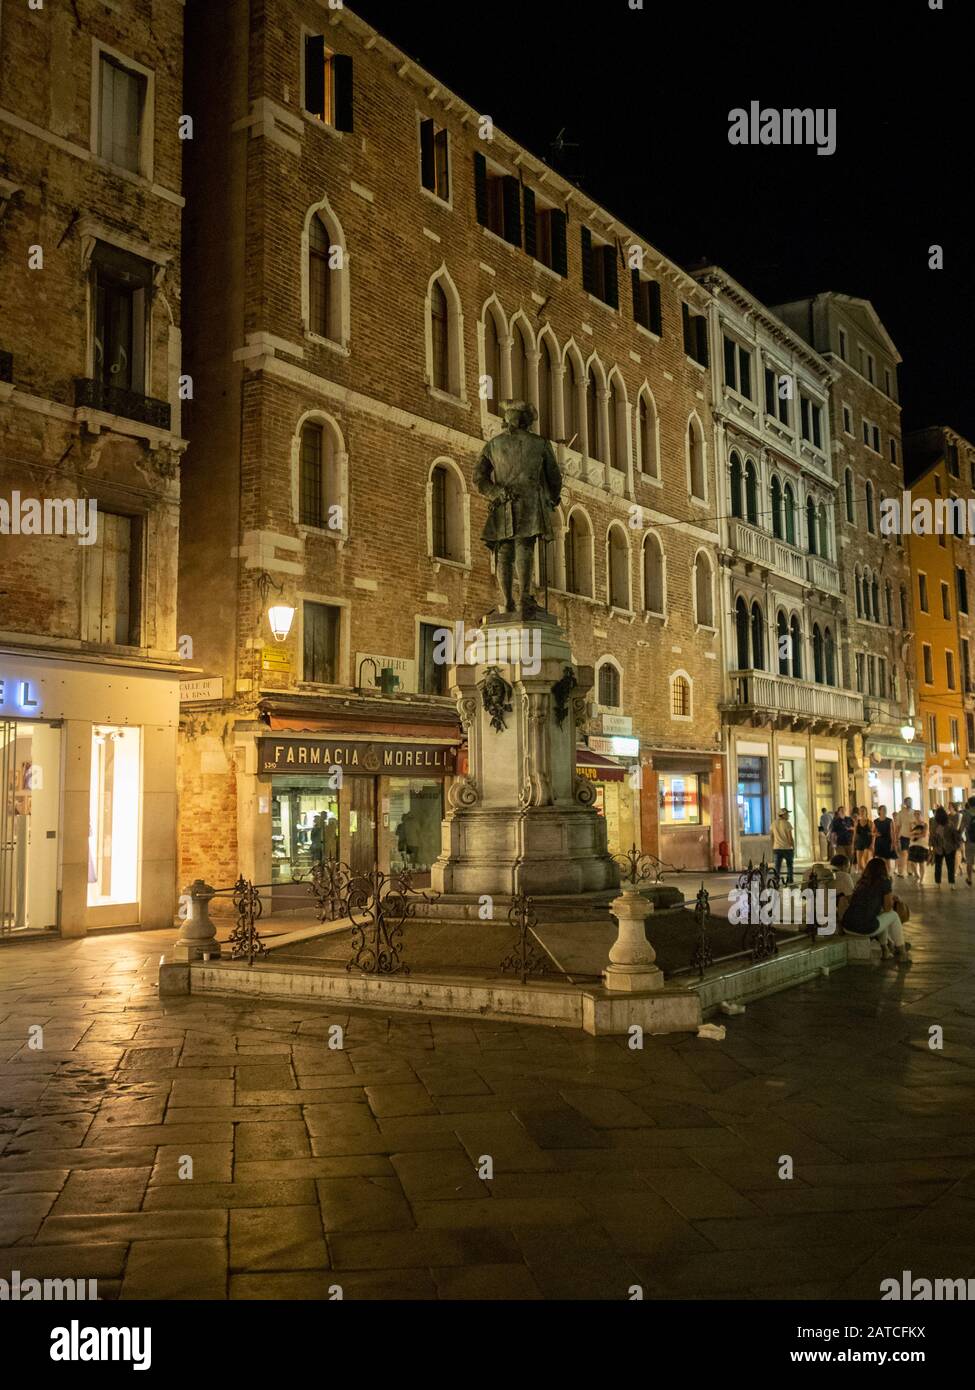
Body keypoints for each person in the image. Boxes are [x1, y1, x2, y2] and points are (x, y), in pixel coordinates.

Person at [842, 857, 909, 960]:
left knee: (881, 917)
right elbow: (888, 909)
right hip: (864, 928)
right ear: (884, 869)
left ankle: (886, 950)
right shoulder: (884, 882)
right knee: (893, 915)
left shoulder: (861, 883)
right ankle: (902, 952)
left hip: (847, 926)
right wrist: (893, 900)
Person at [930, 806, 961, 889]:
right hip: (950, 848)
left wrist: (932, 846)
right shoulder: (950, 823)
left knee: (938, 866)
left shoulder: (934, 824)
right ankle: (952, 884)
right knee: (950, 866)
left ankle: (937, 883)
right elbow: (955, 834)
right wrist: (957, 845)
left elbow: (932, 836)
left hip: (938, 848)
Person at [770, 806, 795, 884]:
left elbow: (772, 836)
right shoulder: (787, 824)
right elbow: (789, 837)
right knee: (789, 866)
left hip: (777, 848)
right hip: (787, 848)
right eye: (787, 814)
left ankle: (776, 881)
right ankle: (790, 879)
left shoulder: (773, 823)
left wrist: (773, 846)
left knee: (777, 866)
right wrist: (792, 846)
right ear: (783, 815)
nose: (788, 815)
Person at [829, 853, 856, 920]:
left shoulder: (828, 874)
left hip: (818, 908)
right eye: (848, 867)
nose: (848, 870)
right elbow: (851, 899)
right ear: (844, 866)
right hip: (829, 910)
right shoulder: (844, 876)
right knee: (844, 899)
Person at [894, 798, 915, 878]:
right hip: (904, 836)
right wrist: (896, 837)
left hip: (913, 836)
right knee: (904, 853)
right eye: (908, 802)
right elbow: (898, 826)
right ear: (905, 803)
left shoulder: (914, 812)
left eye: (911, 801)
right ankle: (901, 871)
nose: (910, 803)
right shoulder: (901, 813)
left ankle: (910, 870)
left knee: (910, 854)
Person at [907, 812, 929, 885]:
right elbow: (909, 833)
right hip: (912, 845)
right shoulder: (911, 824)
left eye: (919, 814)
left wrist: (915, 835)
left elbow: (924, 834)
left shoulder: (925, 824)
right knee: (912, 862)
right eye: (915, 815)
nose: (917, 816)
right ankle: (917, 875)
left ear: (921, 816)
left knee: (921, 863)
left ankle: (922, 879)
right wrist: (916, 832)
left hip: (922, 845)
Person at [853, 805, 873, 873]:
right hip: (859, 842)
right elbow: (855, 834)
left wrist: (872, 844)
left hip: (867, 842)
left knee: (865, 860)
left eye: (863, 811)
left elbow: (872, 834)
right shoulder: (857, 822)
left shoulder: (870, 822)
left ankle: (867, 874)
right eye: (860, 811)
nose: (861, 812)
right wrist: (853, 844)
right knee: (859, 863)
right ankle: (864, 875)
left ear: (866, 812)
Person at [961, 795, 975, 888]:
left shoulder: (965, 814)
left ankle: (969, 879)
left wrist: (960, 836)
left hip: (970, 840)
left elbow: (961, 827)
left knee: (969, 861)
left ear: (969, 804)